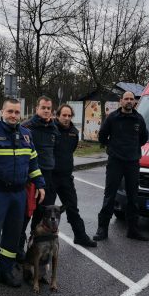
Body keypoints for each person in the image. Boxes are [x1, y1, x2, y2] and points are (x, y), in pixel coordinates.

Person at [0, 98, 46, 294]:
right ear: (2, 112)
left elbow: (33, 163)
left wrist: (40, 184)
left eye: (16, 112)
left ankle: (5, 272)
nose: (13, 115)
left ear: (20, 114)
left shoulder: (27, 135)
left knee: (13, 236)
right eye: (10, 111)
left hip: (18, 194)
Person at [94, 91, 149, 242]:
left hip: (132, 162)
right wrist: (111, 148)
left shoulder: (139, 119)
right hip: (115, 162)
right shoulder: (112, 118)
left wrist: (133, 149)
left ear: (135, 102)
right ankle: (102, 229)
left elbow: (144, 138)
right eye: (126, 99)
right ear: (121, 101)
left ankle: (133, 229)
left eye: (132, 99)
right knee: (109, 196)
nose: (129, 101)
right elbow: (102, 136)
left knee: (133, 197)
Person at [51, 104, 97, 247]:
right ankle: (39, 241)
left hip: (66, 177)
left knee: (72, 208)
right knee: (45, 211)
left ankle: (80, 236)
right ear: (57, 116)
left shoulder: (74, 133)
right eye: (63, 115)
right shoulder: (50, 129)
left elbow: (71, 150)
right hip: (50, 177)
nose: (66, 118)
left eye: (69, 115)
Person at [19, 96, 59, 259]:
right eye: (43, 107)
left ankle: (35, 247)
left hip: (48, 176)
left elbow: (55, 149)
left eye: (49, 108)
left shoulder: (53, 127)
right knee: (25, 215)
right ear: (37, 108)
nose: (46, 111)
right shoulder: (26, 127)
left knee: (42, 217)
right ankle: (18, 250)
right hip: (30, 179)